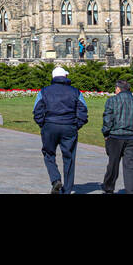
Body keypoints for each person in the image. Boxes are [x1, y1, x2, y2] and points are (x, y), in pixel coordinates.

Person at [33, 66, 89, 194]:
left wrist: (43, 124)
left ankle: (55, 179)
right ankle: (67, 189)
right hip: (69, 126)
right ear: (65, 77)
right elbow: (83, 110)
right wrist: (76, 125)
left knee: (48, 154)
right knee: (69, 157)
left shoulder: (44, 91)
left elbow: (37, 110)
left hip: (50, 125)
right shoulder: (75, 92)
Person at [101, 79, 133, 194]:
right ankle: (131, 190)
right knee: (131, 167)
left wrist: (105, 133)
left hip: (115, 136)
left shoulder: (112, 101)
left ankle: (108, 188)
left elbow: (107, 119)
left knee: (113, 164)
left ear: (118, 89)